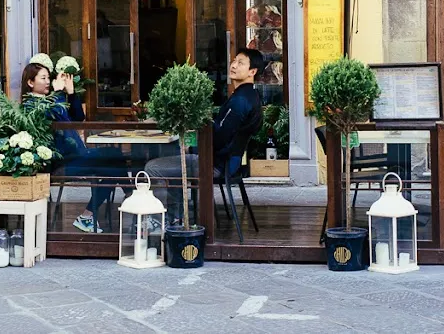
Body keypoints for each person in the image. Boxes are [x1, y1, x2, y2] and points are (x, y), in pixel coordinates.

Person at [144, 48, 264, 225]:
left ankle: (163, 220)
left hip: (216, 164)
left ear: (252, 71)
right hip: (229, 162)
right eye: (234, 61)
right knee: (176, 165)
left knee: (153, 167)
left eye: (241, 63)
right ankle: (176, 216)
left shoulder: (240, 101)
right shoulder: (249, 96)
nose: (233, 65)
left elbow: (218, 138)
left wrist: (192, 146)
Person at [21, 62, 130, 233]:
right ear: (30, 83)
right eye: (43, 78)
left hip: (76, 155)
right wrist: (57, 93)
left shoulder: (51, 100)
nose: (48, 81)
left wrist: (71, 94)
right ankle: (129, 198)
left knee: (114, 163)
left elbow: (78, 118)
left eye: (49, 78)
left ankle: (91, 214)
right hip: (61, 163)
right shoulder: (30, 106)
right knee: (114, 161)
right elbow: (52, 116)